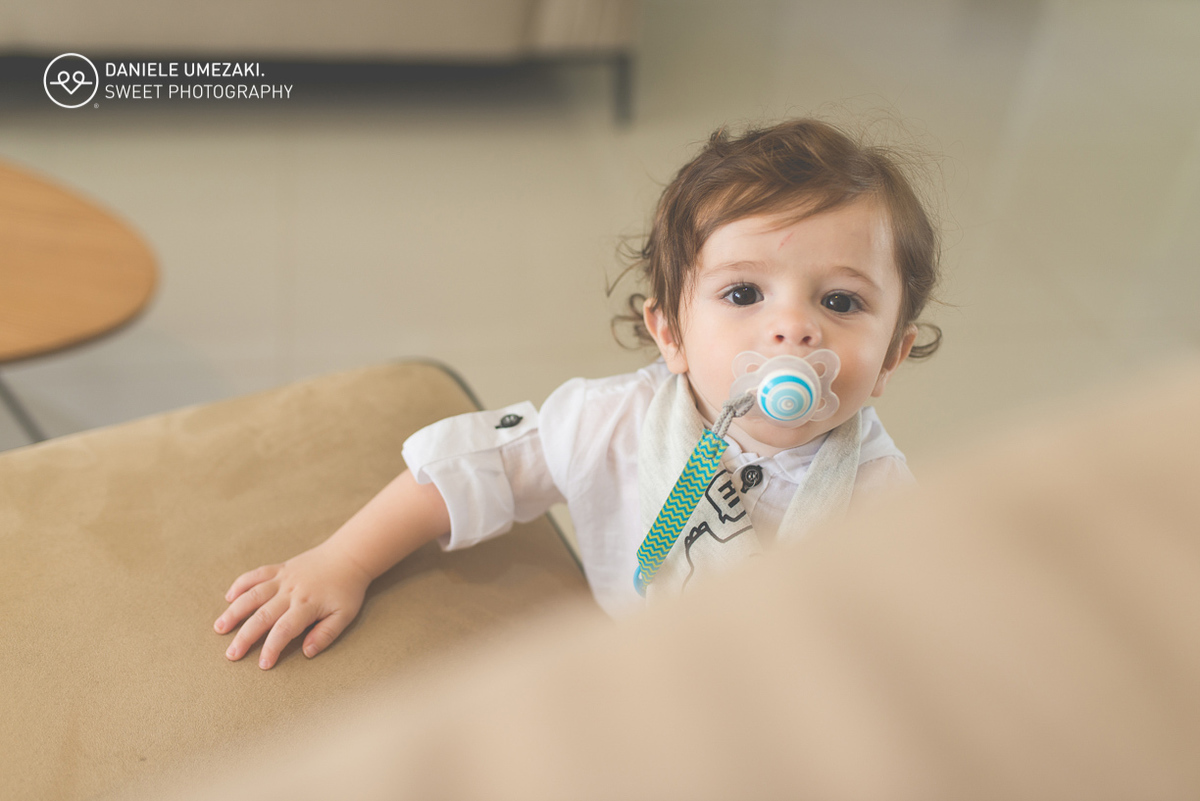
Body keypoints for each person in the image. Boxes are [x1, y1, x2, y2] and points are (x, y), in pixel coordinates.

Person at [214, 118, 942, 669]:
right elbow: (481, 467)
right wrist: (344, 560)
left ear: (890, 358)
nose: (793, 328)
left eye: (841, 302)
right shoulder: (613, 421)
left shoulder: (879, 490)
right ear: (670, 335)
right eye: (744, 293)